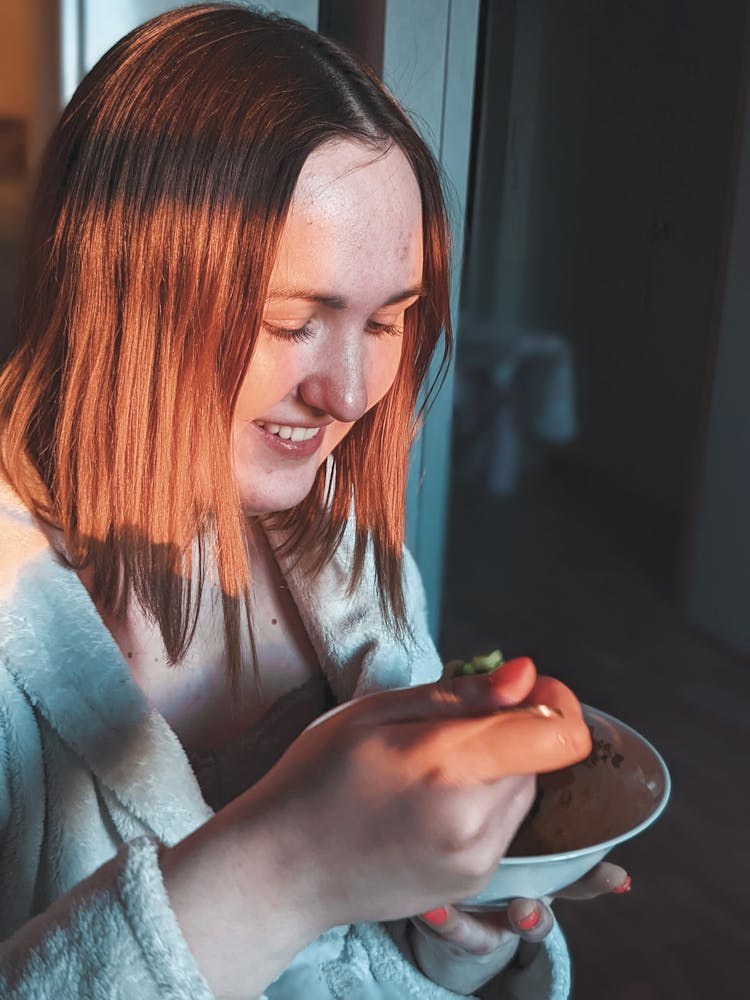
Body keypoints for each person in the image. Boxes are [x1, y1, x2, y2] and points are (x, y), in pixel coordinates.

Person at [0, 5, 629, 998]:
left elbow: (380, 954)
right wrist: (287, 862)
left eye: (389, 321)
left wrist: (459, 928)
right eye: (296, 320)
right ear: (123, 290)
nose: (346, 394)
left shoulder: (356, 566)